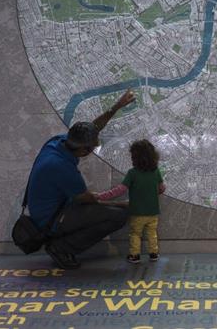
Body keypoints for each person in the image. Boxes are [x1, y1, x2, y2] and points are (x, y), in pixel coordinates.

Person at [27, 89, 136, 269]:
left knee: (108, 209)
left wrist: (117, 106)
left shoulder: (59, 143)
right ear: (83, 150)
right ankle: (61, 247)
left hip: (52, 207)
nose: (92, 151)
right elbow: (90, 200)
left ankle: (62, 241)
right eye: (92, 148)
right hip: (50, 218)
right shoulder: (63, 168)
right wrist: (123, 204)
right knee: (118, 216)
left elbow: (93, 128)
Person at [94, 139, 165, 263]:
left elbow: (119, 190)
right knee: (152, 233)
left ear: (136, 158)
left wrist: (101, 196)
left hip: (137, 212)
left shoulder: (132, 173)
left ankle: (134, 255)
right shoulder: (155, 172)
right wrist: (152, 193)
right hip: (153, 212)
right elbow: (161, 188)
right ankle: (153, 254)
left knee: (135, 234)